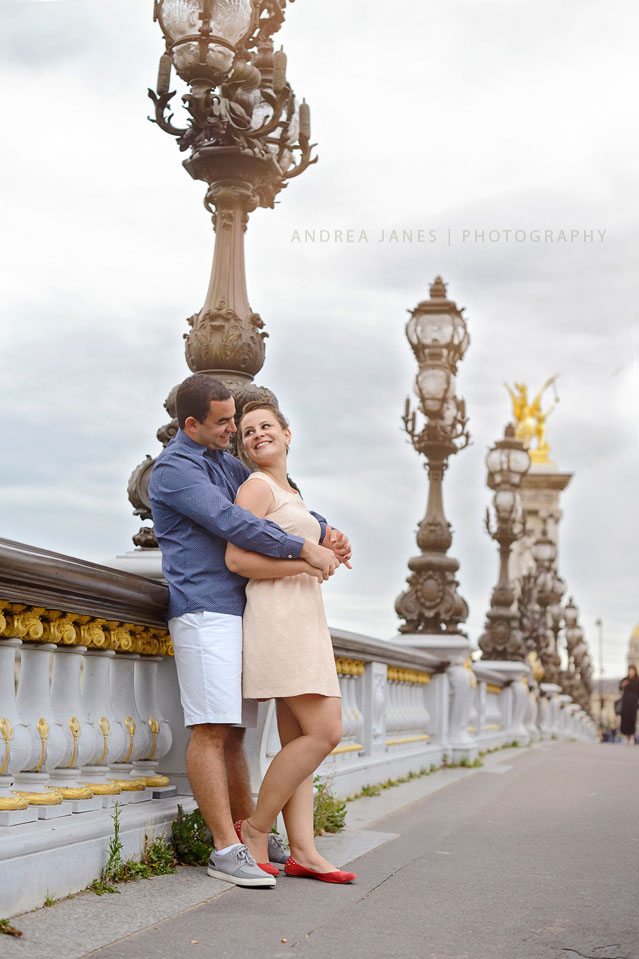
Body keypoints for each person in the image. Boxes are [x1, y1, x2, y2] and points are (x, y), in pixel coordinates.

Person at [148, 374, 351, 888]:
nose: (233, 430)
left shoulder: (223, 459)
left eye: (234, 420)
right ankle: (227, 848)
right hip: (202, 609)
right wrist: (305, 549)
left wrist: (324, 530)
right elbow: (231, 523)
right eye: (224, 422)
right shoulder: (174, 470)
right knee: (211, 729)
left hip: (238, 612)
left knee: (236, 734)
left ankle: (248, 835)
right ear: (190, 424)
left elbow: (278, 497)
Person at [224, 401, 357, 884]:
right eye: (247, 431)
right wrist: (308, 561)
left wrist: (331, 544)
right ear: (243, 445)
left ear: (287, 433)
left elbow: (310, 541)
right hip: (279, 620)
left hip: (303, 617)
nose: (258, 434)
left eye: (266, 426)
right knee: (326, 732)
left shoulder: (288, 492)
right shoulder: (256, 487)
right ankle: (256, 830)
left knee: (300, 739)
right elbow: (238, 559)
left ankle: (303, 849)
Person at [618, 665, 639, 745]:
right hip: (626, 701)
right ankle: (626, 737)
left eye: (632, 670)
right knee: (625, 719)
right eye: (630, 670)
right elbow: (620, 687)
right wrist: (623, 684)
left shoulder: (637, 680)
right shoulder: (625, 679)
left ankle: (632, 736)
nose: (631, 672)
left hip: (633, 701)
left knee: (632, 719)